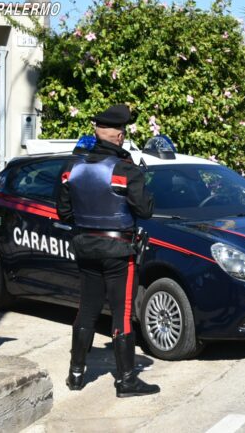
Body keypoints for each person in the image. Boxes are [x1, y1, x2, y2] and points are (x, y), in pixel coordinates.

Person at [55, 104, 159, 398]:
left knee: (86, 310)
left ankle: (76, 374)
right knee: (122, 313)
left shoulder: (71, 169)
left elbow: (64, 213)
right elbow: (145, 209)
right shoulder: (126, 170)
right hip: (118, 252)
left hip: (85, 248)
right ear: (119, 136)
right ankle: (126, 381)